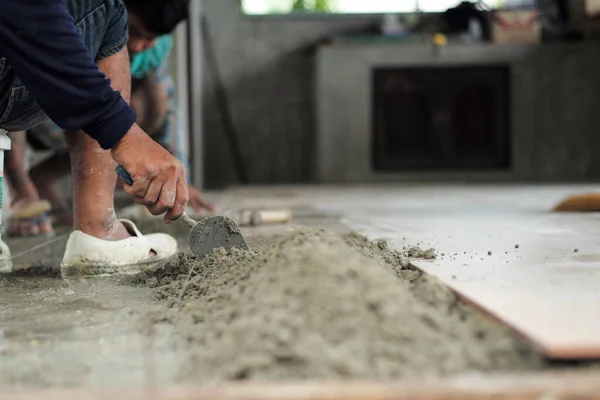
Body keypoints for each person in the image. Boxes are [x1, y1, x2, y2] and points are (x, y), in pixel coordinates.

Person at [0, 0, 191, 278]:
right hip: (46, 116)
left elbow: (166, 103)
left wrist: (174, 164)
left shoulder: (155, 54)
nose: (139, 46)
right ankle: (99, 230)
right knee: (107, 7)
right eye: (137, 33)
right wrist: (126, 135)